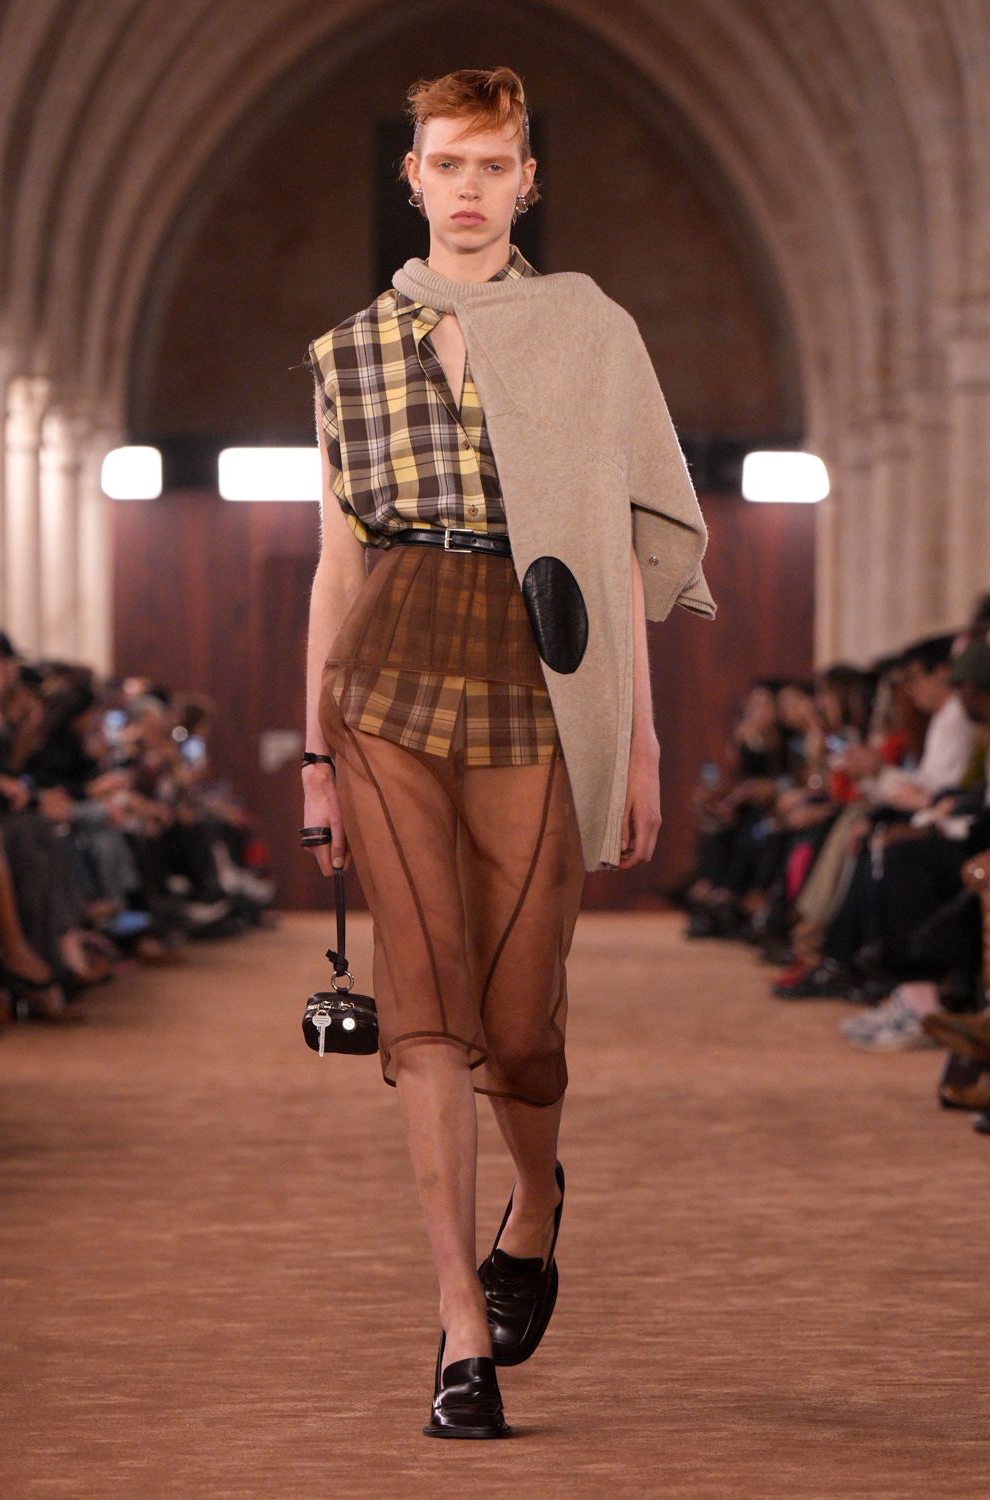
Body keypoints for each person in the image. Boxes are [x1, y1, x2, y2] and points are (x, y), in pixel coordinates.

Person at [301, 66, 715, 1440]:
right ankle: (460, 1332)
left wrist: (640, 744)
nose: (468, 187)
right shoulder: (349, 353)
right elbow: (334, 565)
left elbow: (613, 546)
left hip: (544, 667)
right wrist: (315, 758)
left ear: (527, 181)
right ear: (411, 176)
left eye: (492, 165)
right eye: (446, 163)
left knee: (522, 1024)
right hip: (387, 671)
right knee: (426, 1006)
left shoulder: (589, 330)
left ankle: (534, 1207)